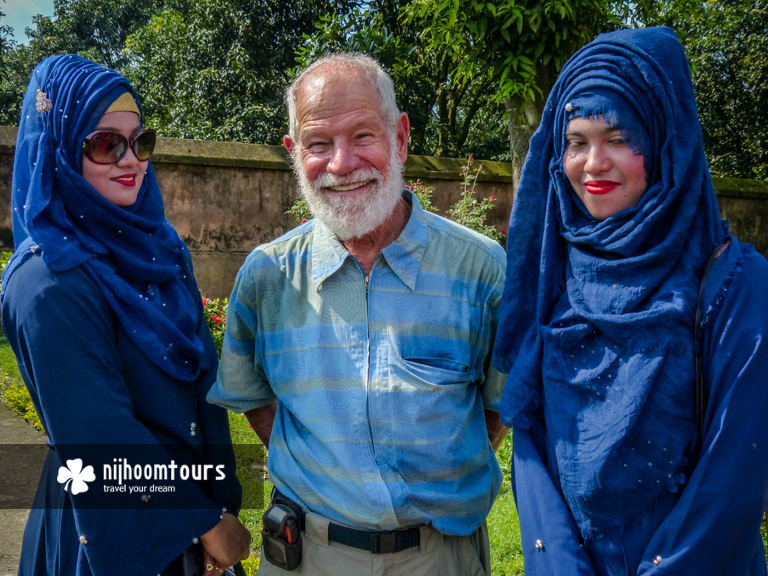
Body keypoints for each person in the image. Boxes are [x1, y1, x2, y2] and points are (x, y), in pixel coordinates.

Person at [207, 52, 507, 575]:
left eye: (363, 137)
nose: (342, 164)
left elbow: (498, 408)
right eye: (318, 144)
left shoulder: (481, 269)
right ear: (294, 153)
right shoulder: (267, 277)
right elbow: (252, 396)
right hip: (308, 557)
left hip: (441, 559)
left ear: (401, 137)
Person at [492, 26, 768, 575]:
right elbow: (531, 435)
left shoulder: (738, 283)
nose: (593, 163)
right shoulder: (554, 277)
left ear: (667, 141)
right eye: (576, 141)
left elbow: (734, 474)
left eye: (620, 138)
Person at [1, 55, 251, 576]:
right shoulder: (48, 281)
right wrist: (205, 524)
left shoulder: (159, 253)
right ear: (60, 150)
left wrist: (220, 502)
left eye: (140, 141)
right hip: (109, 528)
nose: (130, 159)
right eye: (103, 143)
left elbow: (201, 384)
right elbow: (96, 432)